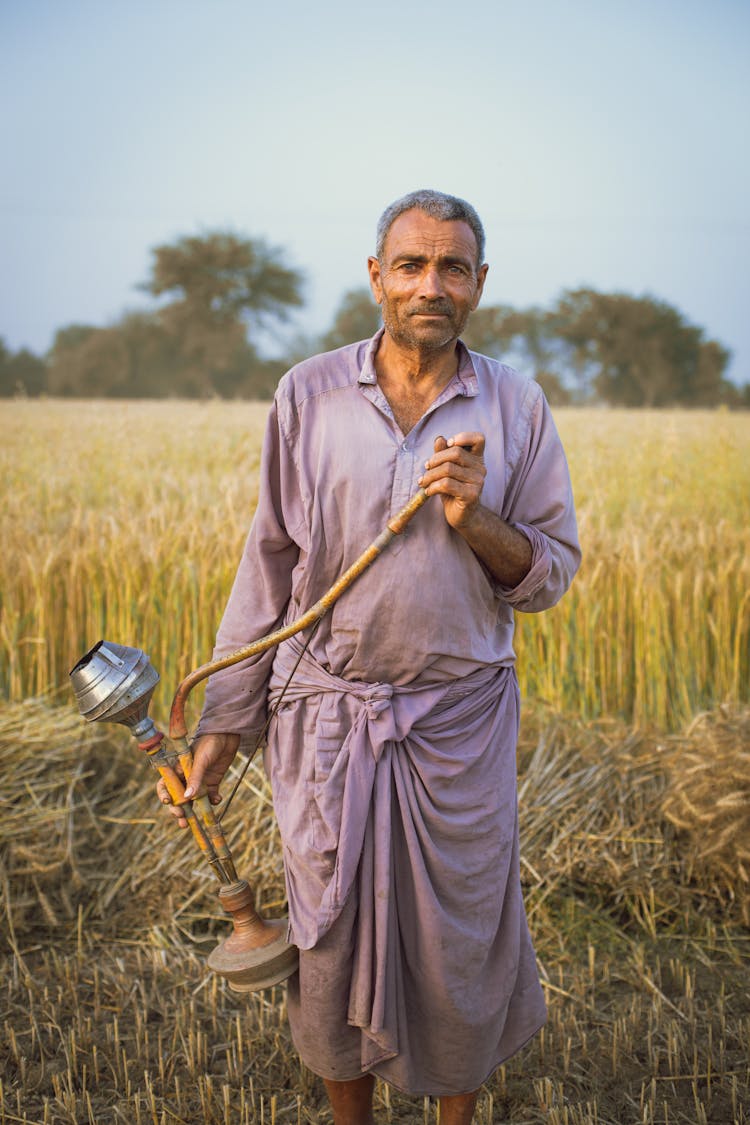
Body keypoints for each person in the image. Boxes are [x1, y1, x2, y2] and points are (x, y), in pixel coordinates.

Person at [158, 189, 581, 1125]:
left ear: (479, 283)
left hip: (458, 728)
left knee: (457, 944)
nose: (432, 284)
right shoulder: (307, 391)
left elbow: (548, 576)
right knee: (330, 937)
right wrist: (226, 724)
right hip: (325, 719)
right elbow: (268, 564)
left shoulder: (516, 403)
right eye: (412, 264)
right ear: (376, 276)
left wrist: (477, 519)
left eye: (453, 267)